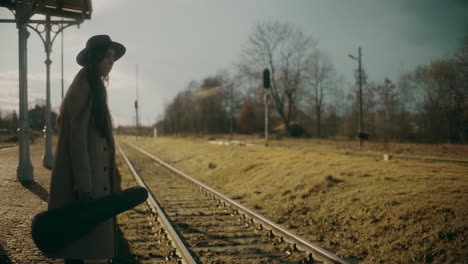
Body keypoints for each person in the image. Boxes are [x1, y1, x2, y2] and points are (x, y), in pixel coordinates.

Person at [48, 35, 126, 264]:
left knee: (78, 247)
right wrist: (84, 186)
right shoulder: (84, 85)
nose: (111, 61)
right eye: (107, 56)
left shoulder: (93, 84)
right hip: (83, 185)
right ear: (95, 57)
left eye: (113, 57)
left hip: (89, 181)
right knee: (76, 247)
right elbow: (77, 139)